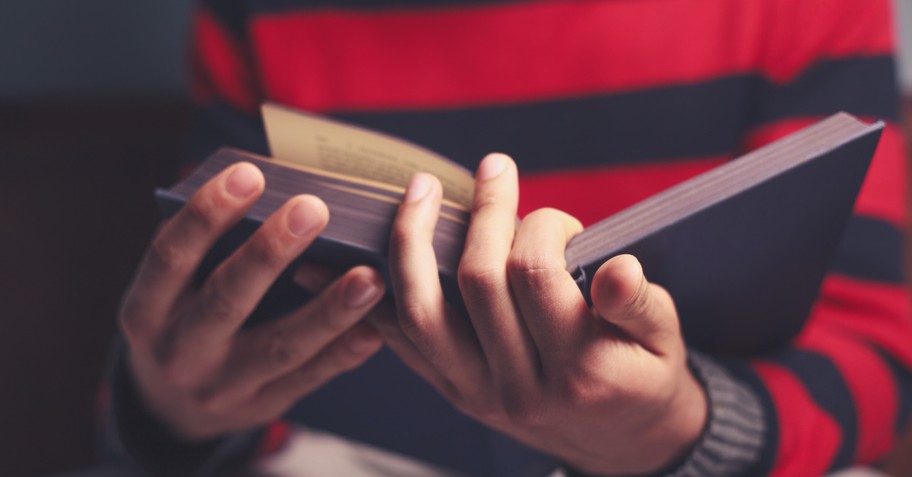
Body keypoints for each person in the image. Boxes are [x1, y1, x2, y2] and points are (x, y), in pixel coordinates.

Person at [99, 0, 912, 475]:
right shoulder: (257, 16)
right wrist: (167, 410)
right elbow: (223, 347)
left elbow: (879, 354)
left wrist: (677, 431)